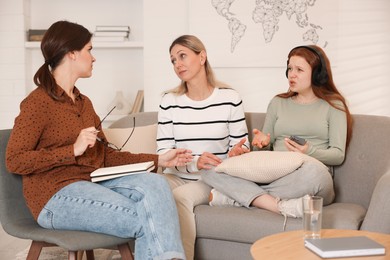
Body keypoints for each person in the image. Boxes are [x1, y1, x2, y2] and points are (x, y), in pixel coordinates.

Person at [5, 20, 193, 260]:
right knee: (150, 218)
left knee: (157, 184)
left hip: (92, 183)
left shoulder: (84, 104)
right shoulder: (38, 102)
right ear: (72, 53)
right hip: (53, 198)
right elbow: (14, 160)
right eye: (89, 50)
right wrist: (72, 150)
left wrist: (160, 159)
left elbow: (107, 156)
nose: (93, 58)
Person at [202, 45, 353, 229]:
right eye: (290, 68)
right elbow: (263, 151)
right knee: (210, 169)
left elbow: (338, 155)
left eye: (299, 70)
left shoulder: (333, 105)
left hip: (308, 176)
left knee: (314, 175)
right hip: (274, 174)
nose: (292, 74)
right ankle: (279, 205)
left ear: (317, 74)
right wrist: (262, 144)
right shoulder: (277, 103)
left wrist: (309, 151)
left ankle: (236, 197)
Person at [157, 35, 250, 260]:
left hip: (209, 179)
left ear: (202, 57)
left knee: (180, 198)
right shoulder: (169, 101)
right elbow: (163, 154)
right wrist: (194, 162)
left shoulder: (230, 98)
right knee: (146, 189)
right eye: (172, 60)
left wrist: (236, 154)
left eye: (182, 56)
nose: (177, 64)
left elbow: (243, 147)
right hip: (175, 175)